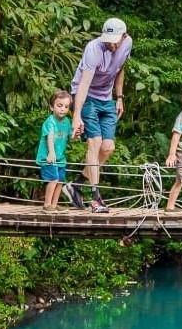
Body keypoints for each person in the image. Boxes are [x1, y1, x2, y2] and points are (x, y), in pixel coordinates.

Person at [63, 17, 133, 214]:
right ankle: (96, 199)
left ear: (124, 37)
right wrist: (76, 115)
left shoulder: (127, 43)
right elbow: (84, 84)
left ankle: (75, 185)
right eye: (109, 39)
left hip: (106, 97)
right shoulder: (93, 49)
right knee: (94, 142)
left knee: (108, 147)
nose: (111, 43)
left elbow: (120, 70)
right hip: (86, 96)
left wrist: (119, 97)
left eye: (115, 40)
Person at [36, 90, 72, 211]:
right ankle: (47, 205)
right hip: (48, 157)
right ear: (52, 107)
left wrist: (77, 134)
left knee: (60, 180)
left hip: (60, 157)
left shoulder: (67, 122)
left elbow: (71, 136)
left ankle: (54, 204)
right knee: (53, 179)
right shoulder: (50, 121)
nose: (63, 109)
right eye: (59, 105)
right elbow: (49, 137)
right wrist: (51, 153)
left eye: (66, 107)